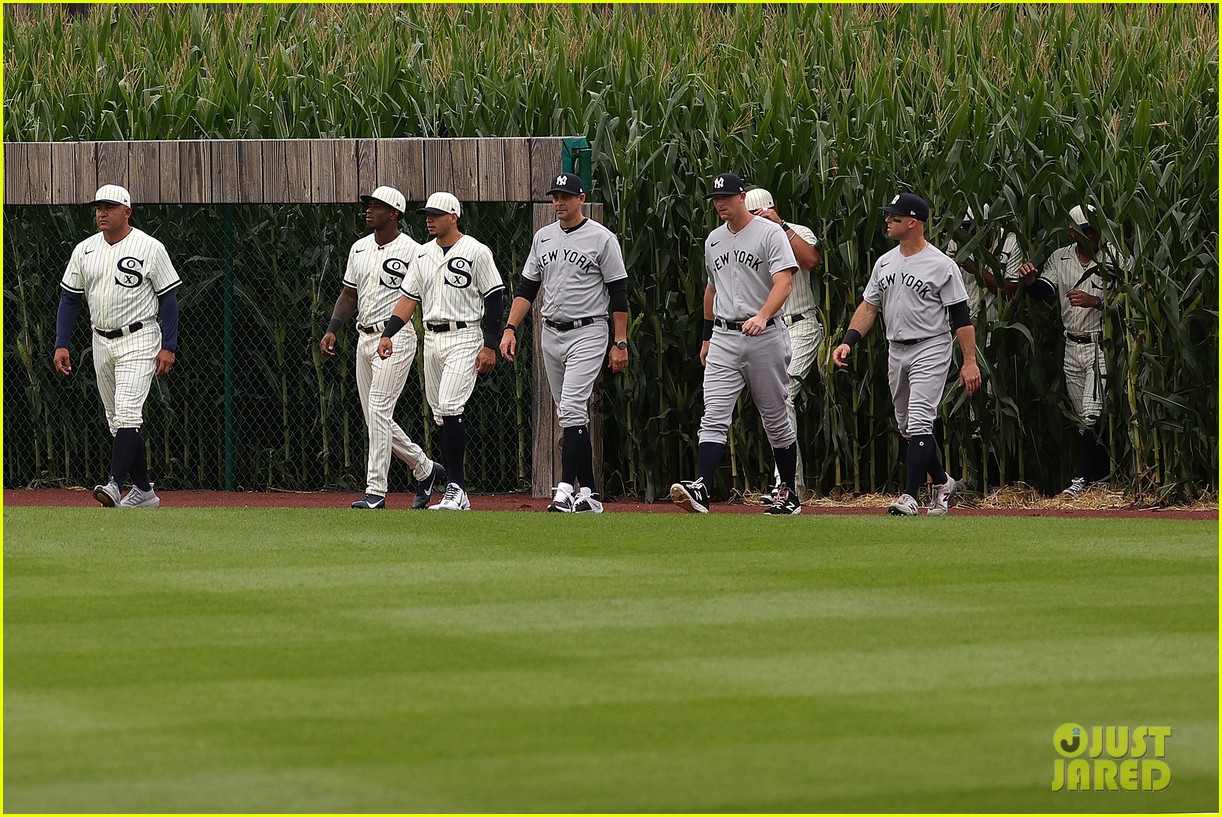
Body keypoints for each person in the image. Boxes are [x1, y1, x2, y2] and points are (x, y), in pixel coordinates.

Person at [831, 192, 981, 516]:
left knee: (919, 421)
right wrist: (848, 341)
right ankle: (942, 482)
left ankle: (910, 496)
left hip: (931, 346)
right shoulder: (885, 262)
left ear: (913, 222)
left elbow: (961, 318)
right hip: (896, 349)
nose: (887, 220)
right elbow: (869, 308)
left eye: (894, 217)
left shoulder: (942, 265)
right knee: (906, 426)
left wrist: (969, 362)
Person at [669, 172, 802, 515]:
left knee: (774, 417)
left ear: (742, 197)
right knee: (713, 415)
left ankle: (788, 492)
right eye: (716, 200)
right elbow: (712, 290)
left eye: (726, 198)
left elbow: (784, 283)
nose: (721, 204)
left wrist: (762, 315)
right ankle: (701, 489)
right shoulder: (714, 239)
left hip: (765, 334)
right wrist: (706, 335)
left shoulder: (770, 233)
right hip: (725, 337)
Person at [500, 173, 629, 513]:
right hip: (550, 332)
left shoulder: (601, 238)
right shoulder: (543, 237)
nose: (559, 202)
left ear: (581, 199)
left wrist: (620, 341)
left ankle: (563, 489)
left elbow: (619, 292)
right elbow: (527, 288)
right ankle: (589, 492)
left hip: (588, 330)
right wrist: (510, 327)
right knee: (571, 416)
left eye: (566, 196)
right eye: (556, 196)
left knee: (571, 408)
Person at [53, 184, 181, 508]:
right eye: (98, 207)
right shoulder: (84, 250)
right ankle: (144, 491)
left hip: (139, 337)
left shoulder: (149, 248)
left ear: (127, 211)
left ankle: (114, 484)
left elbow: (168, 299)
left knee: (127, 411)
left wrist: (169, 346)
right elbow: (70, 298)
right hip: (100, 339)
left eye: (109, 207)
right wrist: (61, 343)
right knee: (117, 419)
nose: (101, 213)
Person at [320, 185, 445, 510]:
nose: (368, 210)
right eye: (368, 205)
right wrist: (333, 330)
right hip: (364, 337)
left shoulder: (414, 251)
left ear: (394, 214)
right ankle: (425, 468)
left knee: (378, 411)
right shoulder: (359, 248)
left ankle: (375, 492)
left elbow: (420, 299)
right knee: (375, 416)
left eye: (376, 206)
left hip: (396, 338)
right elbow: (349, 296)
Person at [378, 191, 505, 511]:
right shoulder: (422, 254)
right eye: (426, 215)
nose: (429, 220)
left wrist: (490, 344)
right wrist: (388, 333)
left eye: (436, 215)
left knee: (449, 405)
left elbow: (494, 298)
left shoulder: (476, 251)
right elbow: (408, 300)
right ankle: (455, 489)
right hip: (432, 339)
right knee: (440, 412)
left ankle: (456, 488)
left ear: (453, 216)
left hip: (465, 335)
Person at [1016, 204, 1124, 496]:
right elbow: (1045, 292)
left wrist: (1098, 302)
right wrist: (1029, 282)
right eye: (1086, 231)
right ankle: (1098, 480)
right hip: (1072, 346)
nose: (1092, 236)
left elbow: (1133, 298)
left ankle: (1078, 481)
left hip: (1101, 343)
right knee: (1082, 421)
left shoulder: (1114, 255)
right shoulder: (1060, 257)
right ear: (1073, 233)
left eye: (1095, 230)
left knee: (1091, 414)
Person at [744, 187, 823, 503]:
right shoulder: (743, 241)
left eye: (757, 214)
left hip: (801, 325)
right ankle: (788, 484)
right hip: (769, 330)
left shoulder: (795, 231)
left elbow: (811, 260)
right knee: (773, 402)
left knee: (784, 394)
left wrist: (780, 225)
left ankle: (787, 486)